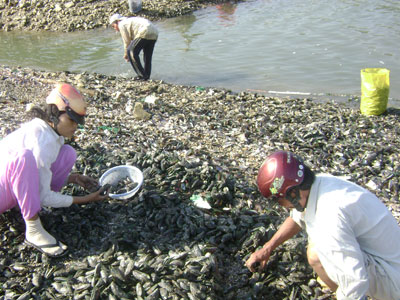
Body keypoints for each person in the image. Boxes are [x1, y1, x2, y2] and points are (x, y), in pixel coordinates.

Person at [245, 150, 400, 300]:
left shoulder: (329, 217)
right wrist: (267, 248)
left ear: (293, 193)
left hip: (393, 281)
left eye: (279, 201)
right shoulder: (320, 184)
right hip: (389, 260)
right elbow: (298, 217)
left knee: (318, 254)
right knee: (318, 251)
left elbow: (355, 281)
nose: (281, 206)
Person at [0, 83, 110, 257]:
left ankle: (30, 206)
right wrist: (85, 199)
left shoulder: (48, 131)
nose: (75, 126)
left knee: (68, 153)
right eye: (71, 120)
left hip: (10, 186)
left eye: (77, 121)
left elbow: (37, 175)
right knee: (23, 158)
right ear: (54, 115)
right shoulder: (41, 139)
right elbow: (38, 186)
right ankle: (33, 228)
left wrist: (72, 178)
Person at [109, 13, 158, 81]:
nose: (115, 29)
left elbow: (127, 42)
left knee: (131, 51)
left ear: (117, 21)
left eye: (113, 26)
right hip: (154, 32)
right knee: (147, 57)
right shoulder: (129, 21)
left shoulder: (121, 24)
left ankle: (142, 76)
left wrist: (126, 54)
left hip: (145, 30)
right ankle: (146, 76)